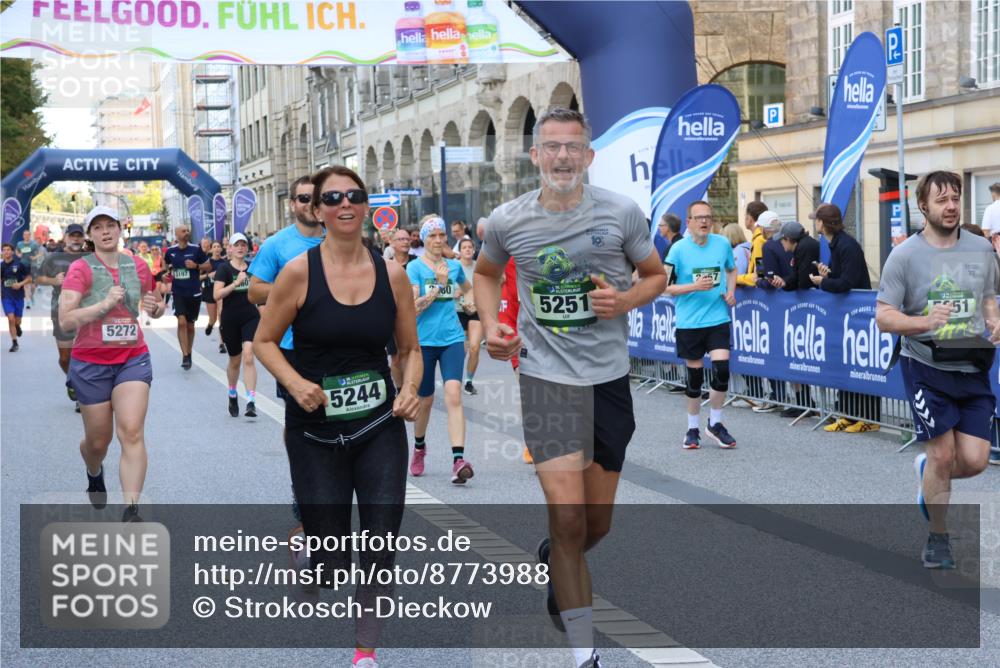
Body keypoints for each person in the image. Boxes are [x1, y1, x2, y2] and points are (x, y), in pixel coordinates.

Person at [475, 107, 666, 668]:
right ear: (535, 156)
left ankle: (557, 560)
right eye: (551, 146)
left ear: (588, 155)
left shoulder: (621, 213)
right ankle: (585, 655)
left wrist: (626, 299)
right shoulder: (508, 220)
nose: (562, 156)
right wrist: (492, 327)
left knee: (595, 525)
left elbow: (654, 275)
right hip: (546, 379)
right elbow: (486, 276)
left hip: (607, 381)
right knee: (567, 517)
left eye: (572, 147)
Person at [253, 165, 420, 668]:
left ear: (366, 204)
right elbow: (263, 342)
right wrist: (296, 383)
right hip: (315, 430)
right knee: (331, 557)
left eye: (354, 195)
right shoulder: (299, 271)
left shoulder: (392, 274)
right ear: (318, 210)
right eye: (332, 198)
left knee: (382, 537)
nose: (344, 204)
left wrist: (409, 387)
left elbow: (409, 348)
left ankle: (365, 652)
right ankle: (315, 557)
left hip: (377, 424)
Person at [875, 171, 1000, 568]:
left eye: (956, 198)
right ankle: (938, 538)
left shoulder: (981, 248)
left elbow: (989, 296)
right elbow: (883, 316)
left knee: (976, 459)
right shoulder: (905, 255)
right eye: (942, 200)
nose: (950, 206)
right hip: (925, 364)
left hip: (973, 363)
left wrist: (994, 320)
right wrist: (924, 322)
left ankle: (928, 474)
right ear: (923, 206)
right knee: (944, 454)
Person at [58, 206, 166, 522]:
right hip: (90, 363)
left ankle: (132, 509)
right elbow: (66, 319)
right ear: (90, 236)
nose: (105, 231)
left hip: (132, 358)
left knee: (131, 431)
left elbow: (156, 303)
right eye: (98, 227)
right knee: (98, 441)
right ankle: (94, 471)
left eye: (110, 225)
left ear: (120, 230)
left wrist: (155, 308)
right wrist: (104, 305)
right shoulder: (81, 269)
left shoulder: (138, 265)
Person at [247, 176, 325, 531]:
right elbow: (254, 292)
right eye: (303, 198)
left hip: (339, 345)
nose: (310, 203)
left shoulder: (340, 239)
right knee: (300, 417)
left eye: (316, 198)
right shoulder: (278, 245)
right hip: (293, 347)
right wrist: (295, 288)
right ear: (292, 203)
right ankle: (302, 482)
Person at [664, 200, 738, 450]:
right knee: (694, 379)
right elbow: (666, 287)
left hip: (717, 318)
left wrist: (730, 292)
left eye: (708, 217)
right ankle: (692, 428)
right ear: (689, 223)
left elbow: (731, 269)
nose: (705, 221)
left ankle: (715, 424)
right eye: (699, 218)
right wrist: (695, 286)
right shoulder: (678, 250)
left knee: (722, 370)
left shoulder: (722, 243)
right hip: (690, 322)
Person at [407, 215, 475, 483]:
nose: (438, 240)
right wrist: (436, 285)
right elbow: (413, 308)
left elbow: (469, 290)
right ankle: (420, 447)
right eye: (432, 236)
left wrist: (469, 303)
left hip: (451, 339)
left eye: (441, 235)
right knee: (425, 401)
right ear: (424, 239)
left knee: (454, 394)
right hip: (423, 341)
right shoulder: (414, 268)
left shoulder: (454, 266)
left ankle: (458, 460)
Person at [809, 203, 880, 433]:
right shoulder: (836, 244)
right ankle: (848, 414)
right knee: (848, 363)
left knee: (862, 365)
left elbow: (847, 283)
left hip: (859, 315)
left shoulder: (846, 245)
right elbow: (841, 277)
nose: (815, 223)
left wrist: (824, 282)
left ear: (823, 222)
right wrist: (827, 274)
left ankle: (869, 418)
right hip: (847, 314)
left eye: (816, 219)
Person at [36, 223, 90, 409]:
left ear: (83, 238)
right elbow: (39, 278)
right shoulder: (53, 257)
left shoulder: (90, 257)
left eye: (79, 236)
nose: (76, 239)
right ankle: (72, 379)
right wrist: (53, 280)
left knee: (85, 354)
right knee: (66, 358)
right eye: (72, 235)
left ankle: (83, 391)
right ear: (66, 236)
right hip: (60, 310)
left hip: (87, 312)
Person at [214, 233, 260, 418]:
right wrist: (236, 283)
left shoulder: (253, 268)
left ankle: (251, 401)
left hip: (250, 317)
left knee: (248, 355)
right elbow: (217, 295)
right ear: (230, 249)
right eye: (236, 245)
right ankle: (232, 393)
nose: (241, 247)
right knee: (235, 360)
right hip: (230, 319)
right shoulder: (224, 269)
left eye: (243, 244)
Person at [750, 213, 792, 413]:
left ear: (765, 229)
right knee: (792, 352)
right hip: (795, 301)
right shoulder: (793, 241)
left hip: (774, 305)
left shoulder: (768, 245)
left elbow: (767, 277)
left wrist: (756, 281)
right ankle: (799, 399)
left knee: (774, 350)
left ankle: (779, 396)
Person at [164, 225, 210, 369]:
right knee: (182, 321)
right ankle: (184, 355)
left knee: (190, 325)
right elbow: (167, 266)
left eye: (187, 231)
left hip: (194, 292)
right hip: (178, 292)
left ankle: (189, 352)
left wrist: (196, 266)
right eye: (183, 231)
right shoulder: (171, 251)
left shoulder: (196, 249)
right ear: (176, 235)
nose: (187, 233)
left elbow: (208, 266)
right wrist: (167, 273)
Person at [385, 227, 417, 388]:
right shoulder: (386, 265)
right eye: (401, 239)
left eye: (407, 239)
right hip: (390, 316)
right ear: (391, 242)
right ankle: (399, 389)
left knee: (410, 353)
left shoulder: (416, 262)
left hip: (413, 315)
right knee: (396, 357)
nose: (405, 242)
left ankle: (411, 387)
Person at [456, 237, 483, 395]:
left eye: (469, 247)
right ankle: (455, 380)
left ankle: (469, 382)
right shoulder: (454, 267)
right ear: (459, 251)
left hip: (475, 310)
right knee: (461, 349)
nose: (467, 249)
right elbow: (444, 288)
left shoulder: (479, 268)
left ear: (473, 250)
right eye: (464, 247)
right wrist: (456, 293)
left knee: (474, 347)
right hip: (457, 312)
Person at [2, 242, 31, 352]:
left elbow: (29, 278)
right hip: (6, 296)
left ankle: (18, 326)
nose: (6, 252)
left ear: (12, 251)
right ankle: (14, 342)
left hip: (18, 296)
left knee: (17, 320)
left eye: (8, 249)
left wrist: (20, 284)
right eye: (4, 250)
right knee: (10, 319)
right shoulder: (1, 266)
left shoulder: (20, 264)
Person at [735, 202, 771, 288]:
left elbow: (759, 274)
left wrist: (734, 279)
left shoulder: (759, 240)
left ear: (749, 218)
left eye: (745, 216)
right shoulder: (762, 237)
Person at [202, 241, 226, 353]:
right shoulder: (207, 263)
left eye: (218, 246)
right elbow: (197, 277)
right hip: (209, 291)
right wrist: (208, 275)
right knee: (214, 318)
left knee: (222, 316)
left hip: (221, 292)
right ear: (211, 250)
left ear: (221, 249)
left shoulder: (224, 263)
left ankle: (222, 343)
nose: (217, 248)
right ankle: (210, 324)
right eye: (214, 247)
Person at [16, 229, 39, 309]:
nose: (26, 236)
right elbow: (17, 251)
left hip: (33, 265)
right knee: (26, 284)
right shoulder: (19, 243)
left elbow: (40, 253)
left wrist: (35, 257)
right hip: (23, 265)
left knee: (33, 285)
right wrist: (18, 255)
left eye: (28, 235)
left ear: (30, 235)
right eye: (25, 235)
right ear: (23, 236)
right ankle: (28, 302)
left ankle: (31, 296)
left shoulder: (34, 244)